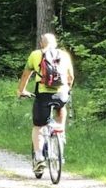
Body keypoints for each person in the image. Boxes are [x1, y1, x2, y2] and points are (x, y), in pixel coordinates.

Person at [17, 33, 75, 172]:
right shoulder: (64, 55)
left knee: (38, 126)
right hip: (61, 94)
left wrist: (21, 90)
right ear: (55, 43)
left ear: (41, 43)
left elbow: (26, 75)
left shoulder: (35, 54)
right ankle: (61, 132)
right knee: (61, 108)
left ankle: (39, 158)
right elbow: (70, 77)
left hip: (43, 95)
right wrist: (67, 90)